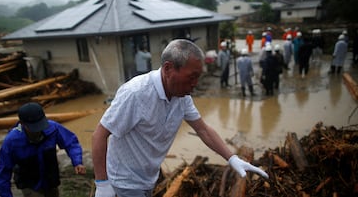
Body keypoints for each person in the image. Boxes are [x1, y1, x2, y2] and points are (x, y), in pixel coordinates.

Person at [91, 39, 268, 197]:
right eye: (192, 77)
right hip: (125, 181)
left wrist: (232, 158)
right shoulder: (136, 94)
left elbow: (203, 129)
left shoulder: (182, 98)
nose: (195, 84)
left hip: (148, 177)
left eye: (198, 77)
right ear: (168, 69)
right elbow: (99, 134)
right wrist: (102, 184)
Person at [0, 102, 86, 197]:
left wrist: (77, 161)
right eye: (34, 128)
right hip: (30, 185)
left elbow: (71, 142)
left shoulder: (53, 128)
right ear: (23, 124)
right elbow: (3, 173)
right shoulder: (11, 142)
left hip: (51, 181)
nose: (38, 130)